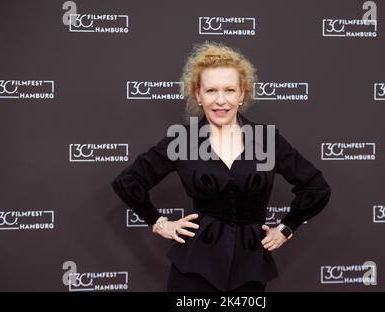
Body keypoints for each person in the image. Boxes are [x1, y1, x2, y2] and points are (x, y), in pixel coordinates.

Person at [111, 41, 332, 292]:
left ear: (242, 94)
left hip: (250, 269)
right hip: (193, 269)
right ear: (197, 94)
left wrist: (286, 227)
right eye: (211, 90)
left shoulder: (266, 140)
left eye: (229, 90)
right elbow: (127, 182)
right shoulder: (183, 140)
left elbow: (316, 187)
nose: (220, 100)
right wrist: (160, 223)